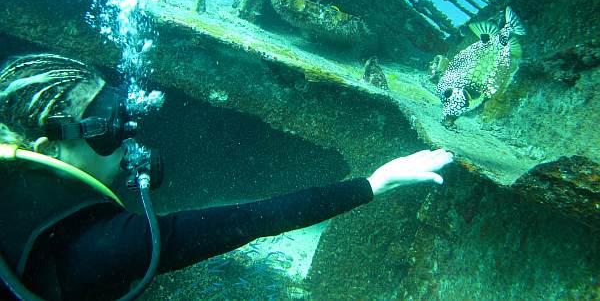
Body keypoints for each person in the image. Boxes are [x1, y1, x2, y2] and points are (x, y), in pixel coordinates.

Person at [0, 53, 453, 301]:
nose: (125, 140)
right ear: (47, 149)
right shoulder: (101, 247)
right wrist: (374, 184)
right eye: (107, 131)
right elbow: (252, 219)